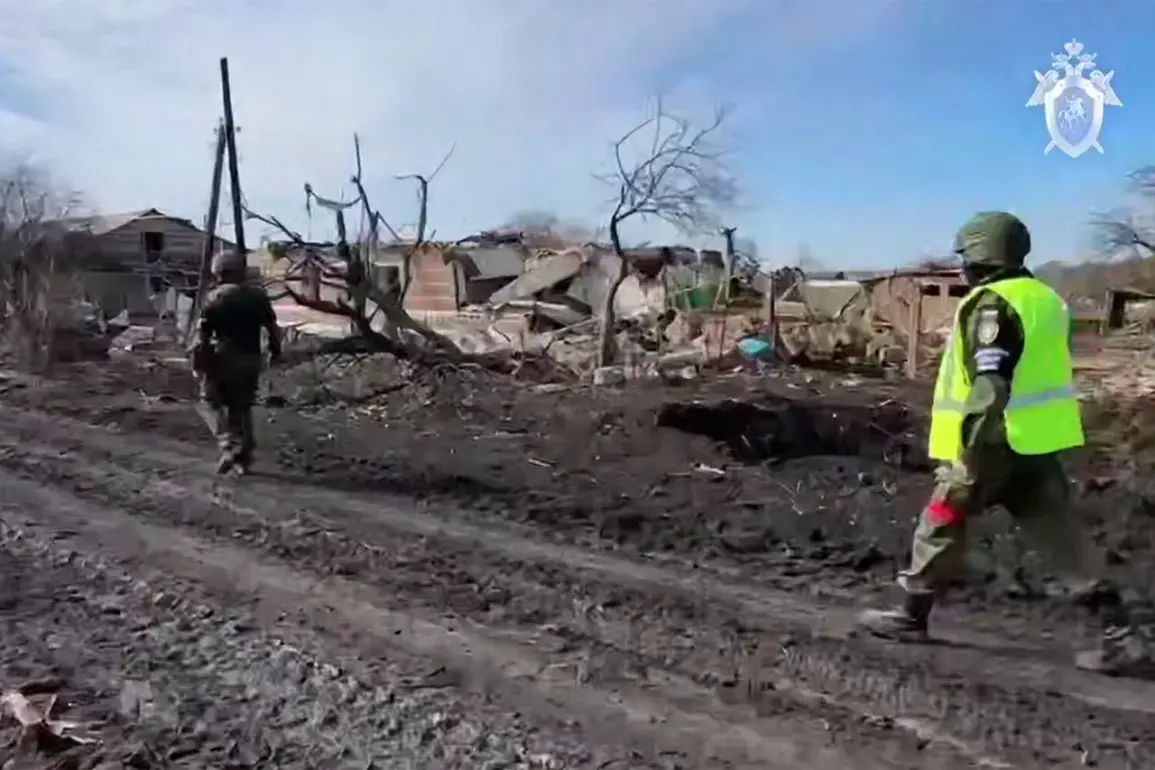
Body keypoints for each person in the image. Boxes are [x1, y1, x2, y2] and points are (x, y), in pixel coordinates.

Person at [856, 211, 1154, 678]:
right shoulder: (1046, 299)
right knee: (1065, 541)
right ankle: (1120, 636)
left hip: (991, 444)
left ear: (980, 254)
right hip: (1036, 446)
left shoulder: (992, 304)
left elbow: (990, 384)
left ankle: (910, 616)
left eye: (965, 257)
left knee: (941, 522)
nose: (961, 267)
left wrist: (971, 452)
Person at [190, 250, 281, 475]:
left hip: (224, 358)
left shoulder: (214, 297)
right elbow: (272, 328)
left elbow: (202, 333)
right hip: (251, 359)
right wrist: (275, 351)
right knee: (241, 406)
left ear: (219, 272)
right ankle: (245, 456)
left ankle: (229, 445)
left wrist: (198, 362)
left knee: (209, 403)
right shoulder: (258, 296)